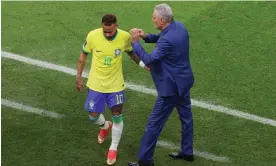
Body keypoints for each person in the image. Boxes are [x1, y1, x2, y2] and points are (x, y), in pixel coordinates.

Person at [76, 14, 148, 165]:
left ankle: (113, 147)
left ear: (116, 25)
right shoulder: (93, 35)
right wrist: (78, 76)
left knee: (117, 115)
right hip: (96, 84)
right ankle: (105, 126)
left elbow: (131, 53)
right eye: (105, 31)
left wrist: (143, 65)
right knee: (93, 115)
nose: (107, 34)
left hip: (116, 85)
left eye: (110, 31)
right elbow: (83, 53)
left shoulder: (124, 37)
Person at [128, 3, 195, 166]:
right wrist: (146, 36)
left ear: (163, 20)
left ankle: (145, 160)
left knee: (153, 124)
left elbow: (149, 59)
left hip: (170, 89)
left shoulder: (167, 39)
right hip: (184, 82)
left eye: (154, 18)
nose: (152, 20)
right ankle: (187, 151)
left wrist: (136, 42)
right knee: (186, 117)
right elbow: (164, 39)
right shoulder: (179, 26)